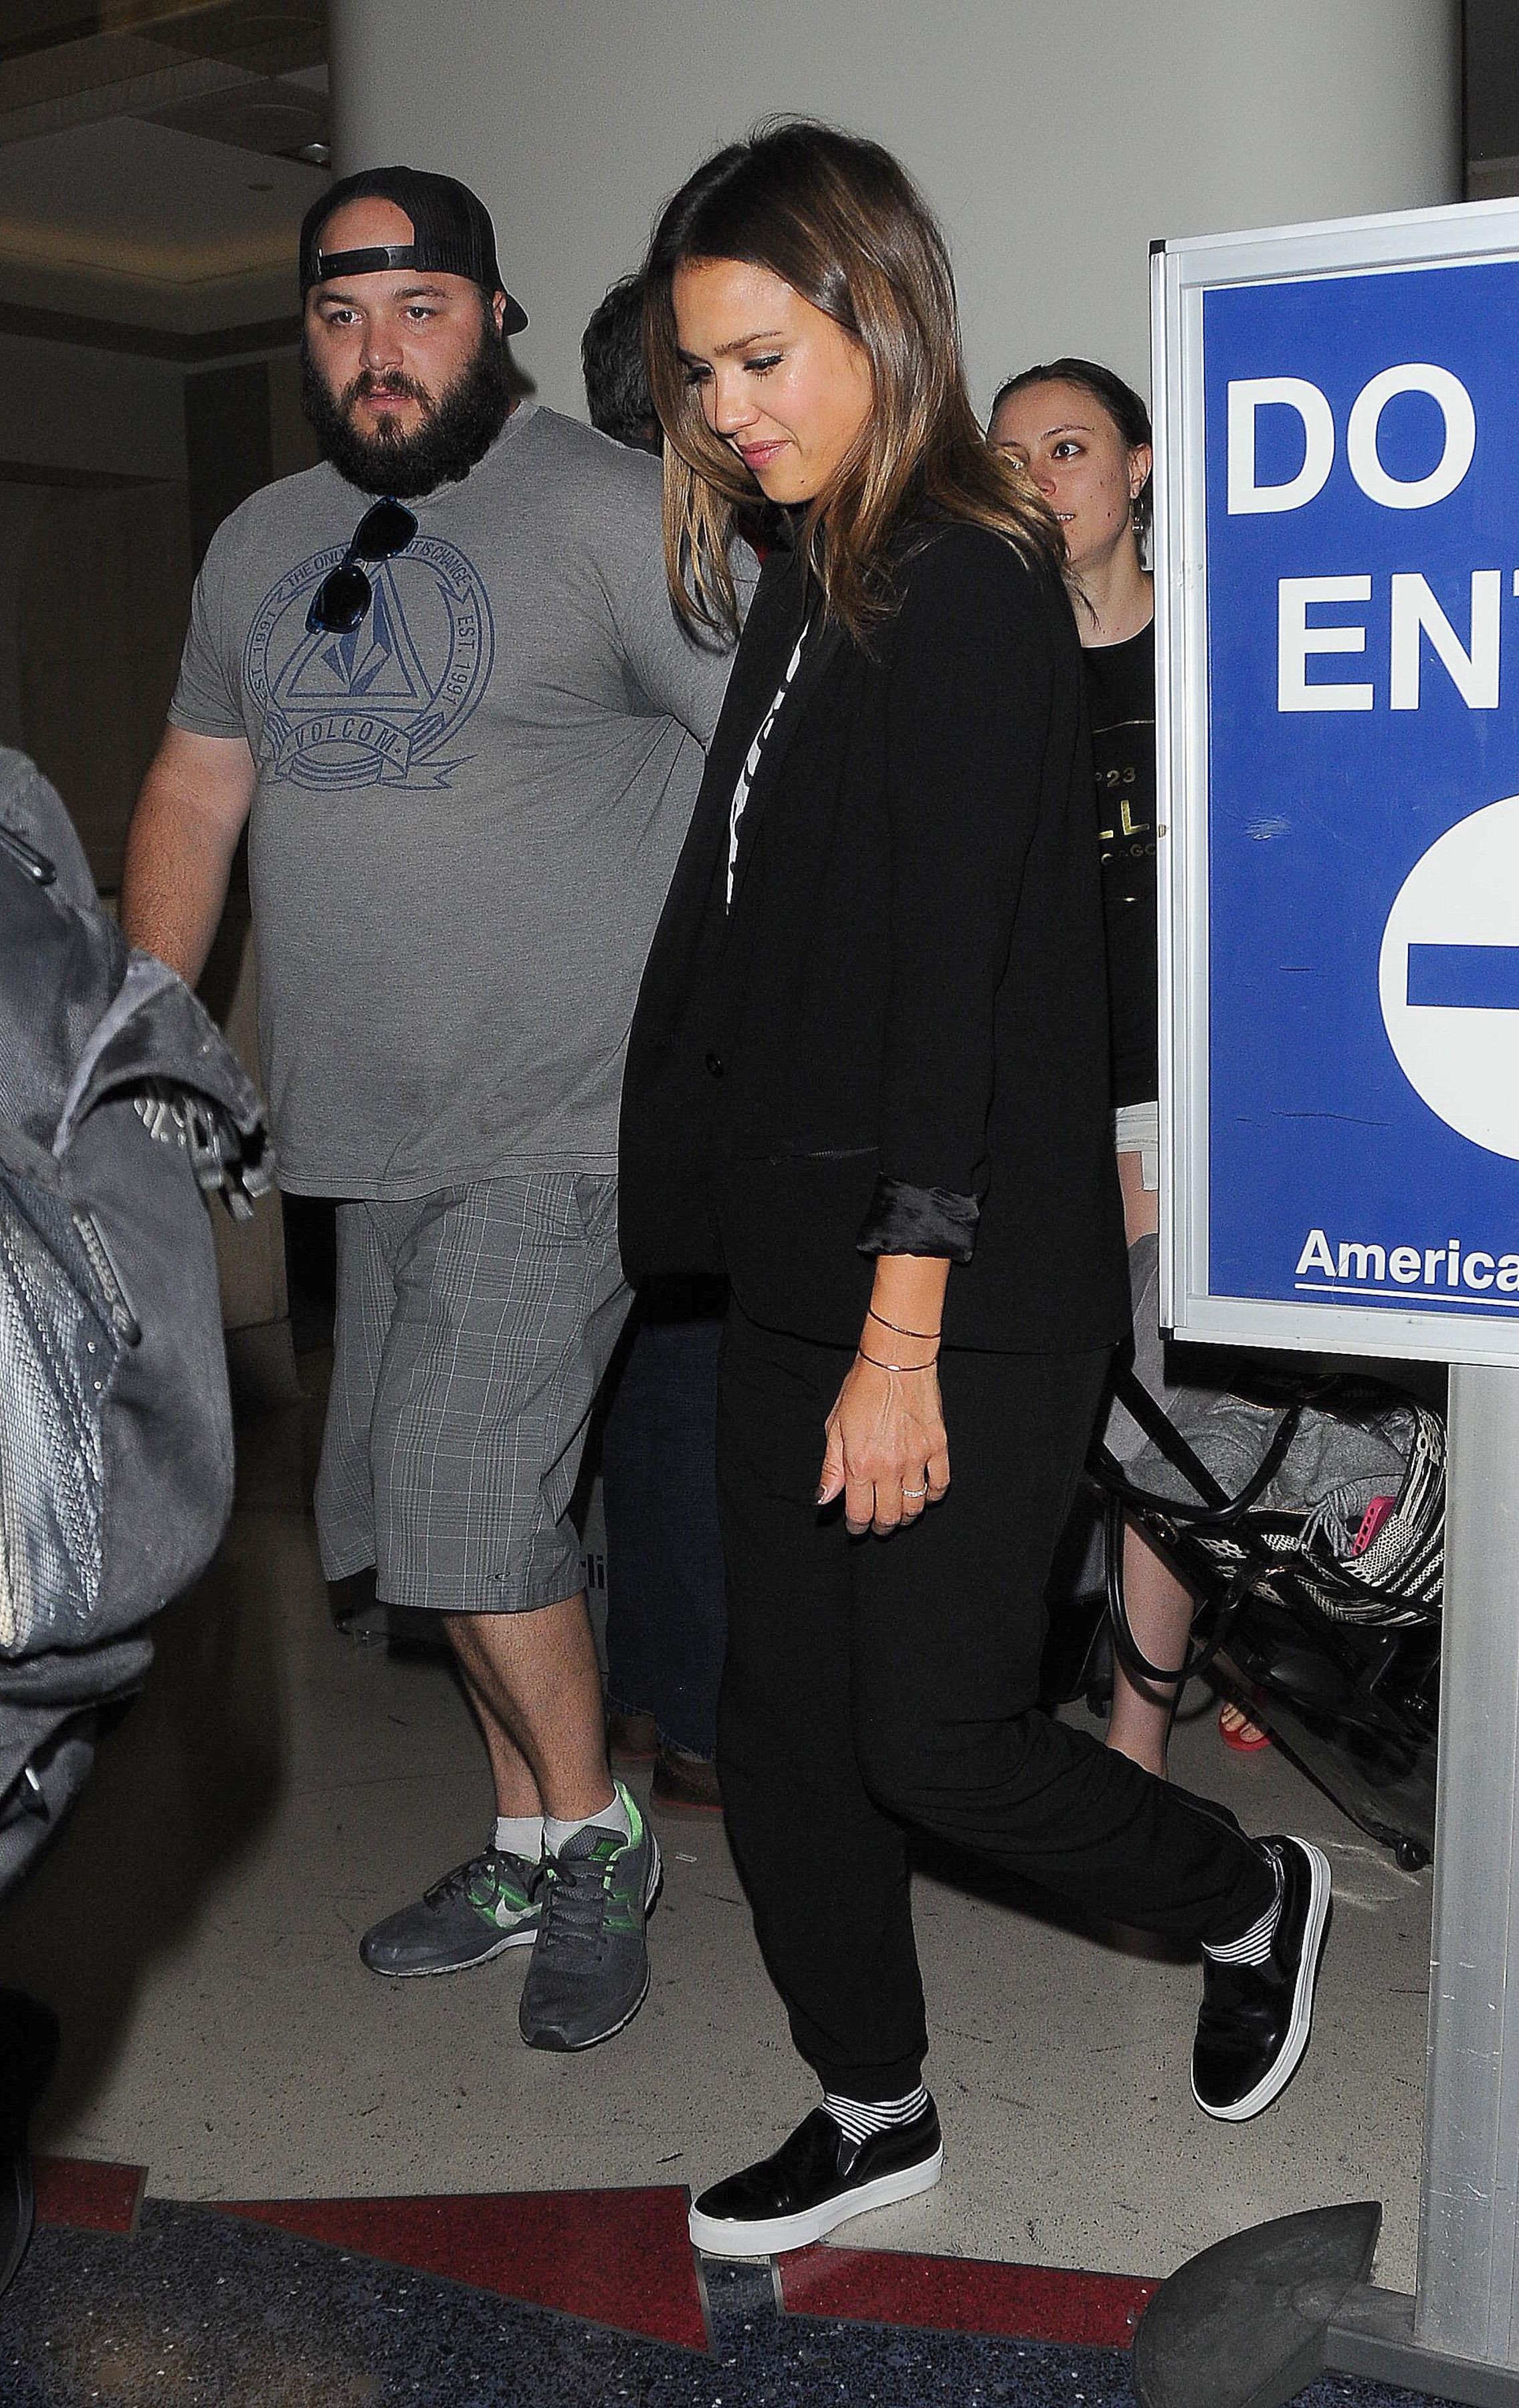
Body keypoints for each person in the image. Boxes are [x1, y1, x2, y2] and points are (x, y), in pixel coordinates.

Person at [619, 120, 1332, 2258]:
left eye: (764, 357)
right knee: (782, 1720)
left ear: (877, 313)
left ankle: (1247, 1894)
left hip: (959, 1282)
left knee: (928, 1734)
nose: (731, 411)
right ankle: (871, 2100)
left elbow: (958, 985)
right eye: (701, 377)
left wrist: (904, 1327)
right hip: (787, 1261)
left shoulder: (965, 578)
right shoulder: (807, 568)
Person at [122, 165, 740, 2053]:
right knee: (417, 1520)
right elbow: (192, 793)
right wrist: (152, 1023)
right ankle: (526, 1826)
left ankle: (604, 1845)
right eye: (337, 315)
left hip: (567, 1125)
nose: (376, 353)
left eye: (416, 308)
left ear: (494, 312)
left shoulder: (618, 516)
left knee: (473, 1504)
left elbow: (777, 787)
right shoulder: (259, 545)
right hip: (362, 1134)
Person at [989, 360, 1267, 1769]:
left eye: (1071, 446)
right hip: (1031, 1099)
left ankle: (1132, 1735)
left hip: (1180, 1086)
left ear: (1139, 466)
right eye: (1013, 456)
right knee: (1064, 1410)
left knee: (1161, 1407)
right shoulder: (991, 663)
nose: (1041, 481)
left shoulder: (1216, 647)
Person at [579, 271, 728, 1815]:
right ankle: (684, 1713)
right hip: (682, 1037)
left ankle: (645, 1700)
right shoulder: (674, 557)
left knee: (635, 1400)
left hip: (598, 1041)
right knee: (683, 1389)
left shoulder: (578, 534)